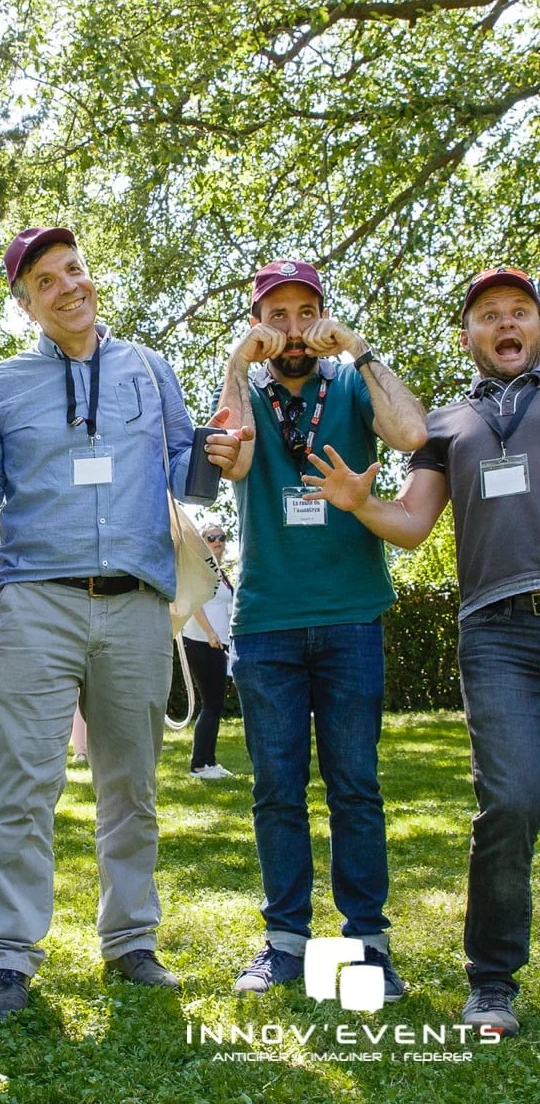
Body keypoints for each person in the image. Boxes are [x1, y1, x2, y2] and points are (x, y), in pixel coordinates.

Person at [0, 227, 248, 1016]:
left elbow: (192, 478)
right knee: (23, 785)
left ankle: (131, 943)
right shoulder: (3, 385)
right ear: (26, 305)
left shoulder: (150, 370)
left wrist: (226, 453)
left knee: (133, 786)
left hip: (135, 605)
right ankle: (12, 957)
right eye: (46, 281)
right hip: (36, 604)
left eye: (74, 270)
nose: (68, 287)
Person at [301, 265, 540, 1036]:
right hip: (495, 630)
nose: (507, 325)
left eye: (520, 313)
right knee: (507, 803)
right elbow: (413, 524)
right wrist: (361, 503)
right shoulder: (447, 425)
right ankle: (493, 982)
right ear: (468, 335)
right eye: (490, 316)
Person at [215, 258, 427, 999]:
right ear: (259, 323)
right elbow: (235, 464)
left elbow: (410, 433)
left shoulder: (350, 386)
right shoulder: (251, 389)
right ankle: (284, 943)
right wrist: (236, 364)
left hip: (350, 617)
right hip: (268, 623)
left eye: (307, 312)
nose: (294, 329)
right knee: (277, 787)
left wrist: (362, 349)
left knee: (355, 786)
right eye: (278, 315)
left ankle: (368, 946)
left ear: (325, 317)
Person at [181, 524, 234, 779]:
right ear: (201, 542)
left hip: (218, 644)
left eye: (221, 537)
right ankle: (200, 764)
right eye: (211, 537)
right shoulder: (200, 569)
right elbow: (194, 604)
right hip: (202, 642)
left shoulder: (220, 573)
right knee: (211, 704)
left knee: (215, 704)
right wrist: (211, 633)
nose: (217, 541)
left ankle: (209, 762)